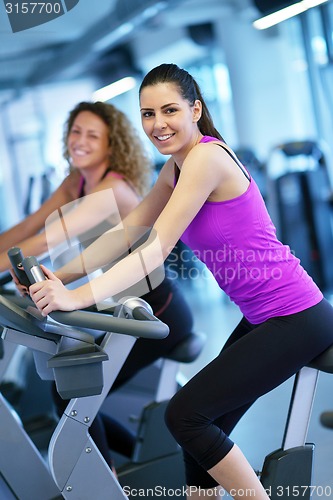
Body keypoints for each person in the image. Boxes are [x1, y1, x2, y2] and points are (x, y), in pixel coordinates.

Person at [27, 64, 333, 499]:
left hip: (296, 314)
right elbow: (129, 230)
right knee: (201, 430)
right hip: (263, 317)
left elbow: (152, 248)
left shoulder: (207, 157)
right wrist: (61, 275)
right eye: (148, 113)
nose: (158, 123)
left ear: (195, 109)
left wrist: (75, 298)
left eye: (169, 110)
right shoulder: (177, 166)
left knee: (185, 417)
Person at [3, 100, 194, 469]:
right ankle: (130, 466)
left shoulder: (113, 190)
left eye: (93, 135)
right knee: (72, 392)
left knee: (75, 395)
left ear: (112, 146)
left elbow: (46, 240)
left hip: (157, 312)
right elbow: (30, 227)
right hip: (121, 307)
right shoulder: (76, 181)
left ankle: (105, 483)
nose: (81, 141)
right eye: (76, 131)